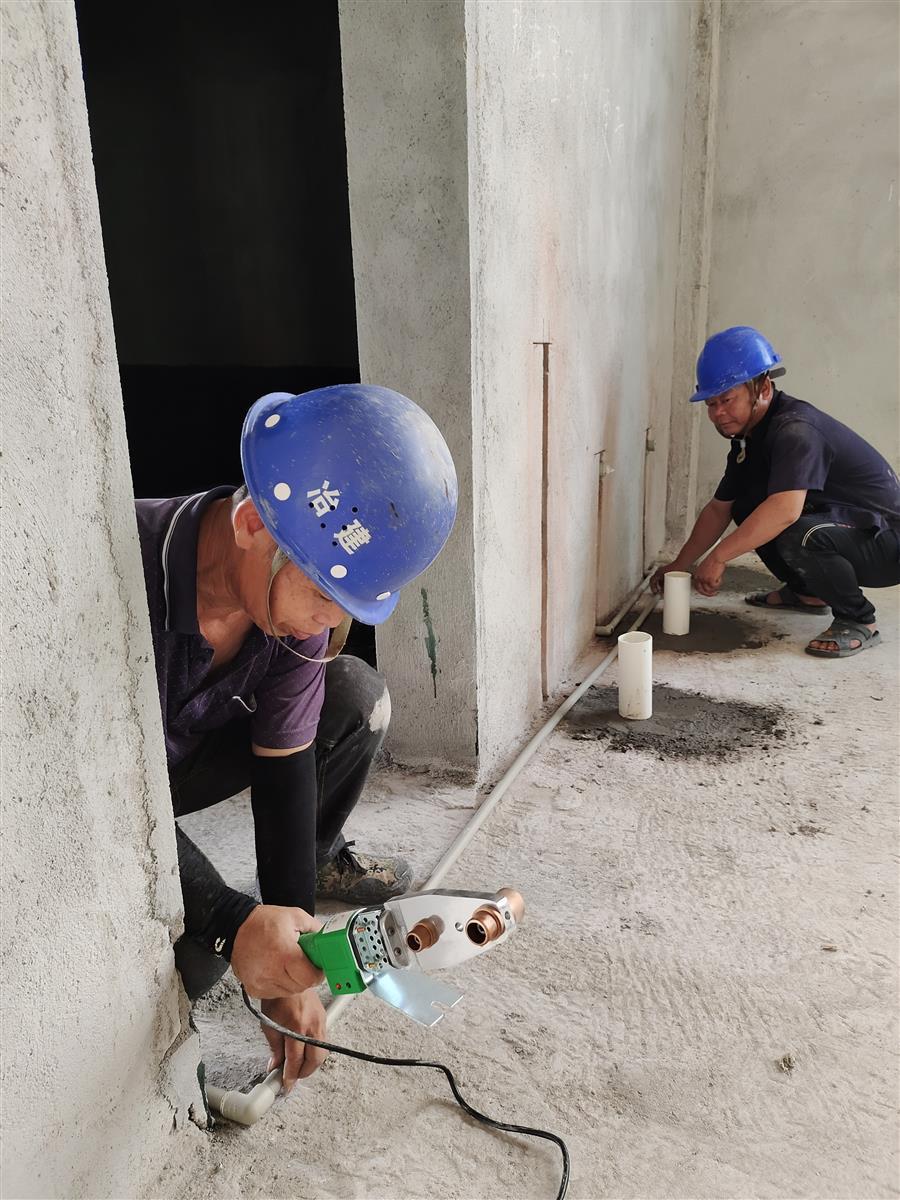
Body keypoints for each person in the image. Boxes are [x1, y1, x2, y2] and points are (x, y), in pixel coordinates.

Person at [136, 384, 458, 1090]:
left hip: (178, 759)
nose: (327, 621)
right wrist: (233, 921)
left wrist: (294, 951)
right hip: (108, 776)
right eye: (321, 592)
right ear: (252, 522)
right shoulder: (126, 576)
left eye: (345, 604)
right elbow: (97, 796)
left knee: (353, 695)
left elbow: (284, 773)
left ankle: (319, 864)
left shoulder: (290, 617)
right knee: (197, 961)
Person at [652, 327, 900, 656]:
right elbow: (719, 509)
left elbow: (785, 510)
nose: (717, 413)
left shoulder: (796, 430)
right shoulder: (749, 438)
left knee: (797, 531)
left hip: (887, 544)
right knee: (747, 505)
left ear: (764, 388)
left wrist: (718, 557)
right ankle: (807, 592)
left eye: (727, 400)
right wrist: (680, 565)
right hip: (849, 528)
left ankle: (858, 620)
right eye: (711, 403)